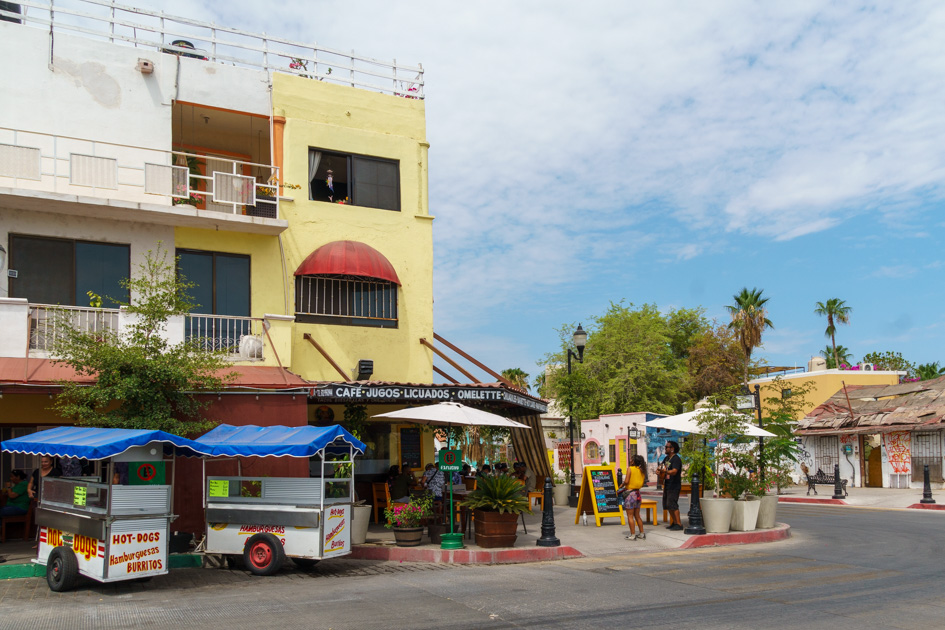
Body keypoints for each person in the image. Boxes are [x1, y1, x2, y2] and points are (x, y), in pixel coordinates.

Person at [621, 455, 648, 540]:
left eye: (631, 459)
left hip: (630, 494)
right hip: (637, 494)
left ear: (633, 461)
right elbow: (642, 483)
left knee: (630, 516)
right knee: (637, 516)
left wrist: (621, 485)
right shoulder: (642, 470)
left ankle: (632, 535)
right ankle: (642, 533)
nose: (630, 460)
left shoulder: (630, 469)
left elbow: (626, 481)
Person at [660, 441, 683, 531]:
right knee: (668, 505)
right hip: (667, 484)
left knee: (673, 504)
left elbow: (674, 471)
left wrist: (665, 471)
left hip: (674, 485)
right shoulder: (666, 458)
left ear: (672, 449)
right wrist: (659, 470)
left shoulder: (676, 459)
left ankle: (679, 524)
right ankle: (674, 522)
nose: (665, 448)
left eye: (667, 447)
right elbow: (661, 466)